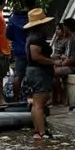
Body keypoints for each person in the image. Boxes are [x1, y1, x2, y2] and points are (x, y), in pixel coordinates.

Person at [22, 9, 56, 140]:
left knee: (36, 103)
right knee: (39, 104)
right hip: (38, 72)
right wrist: (53, 61)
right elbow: (36, 56)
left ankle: (38, 131)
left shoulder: (33, 37)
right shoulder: (36, 38)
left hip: (35, 72)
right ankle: (42, 132)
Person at [6, 0, 35, 103]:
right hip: (34, 51)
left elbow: (8, 35)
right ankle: (36, 98)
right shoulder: (35, 17)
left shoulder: (13, 18)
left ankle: (16, 99)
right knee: (36, 74)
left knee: (18, 76)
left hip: (20, 51)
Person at [53, 18, 75, 107]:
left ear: (67, 28)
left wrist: (61, 64)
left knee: (54, 72)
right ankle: (57, 97)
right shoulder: (71, 38)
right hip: (72, 65)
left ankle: (61, 95)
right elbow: (68, 56)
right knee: (53, 69)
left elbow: (72, 59)